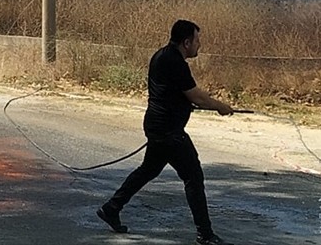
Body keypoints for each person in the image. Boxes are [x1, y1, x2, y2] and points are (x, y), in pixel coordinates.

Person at [97, 19, 236, 245]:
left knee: (148, 171)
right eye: (197, 41)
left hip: (159, 126)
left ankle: (111, 208)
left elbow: (175, 94)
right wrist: (220, 106)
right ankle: (206, 235)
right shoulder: (175, 62)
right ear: (186, 42)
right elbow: (196, 96)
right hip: (168, 131)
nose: (200, 45)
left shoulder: (162, 55)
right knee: (193, 177)